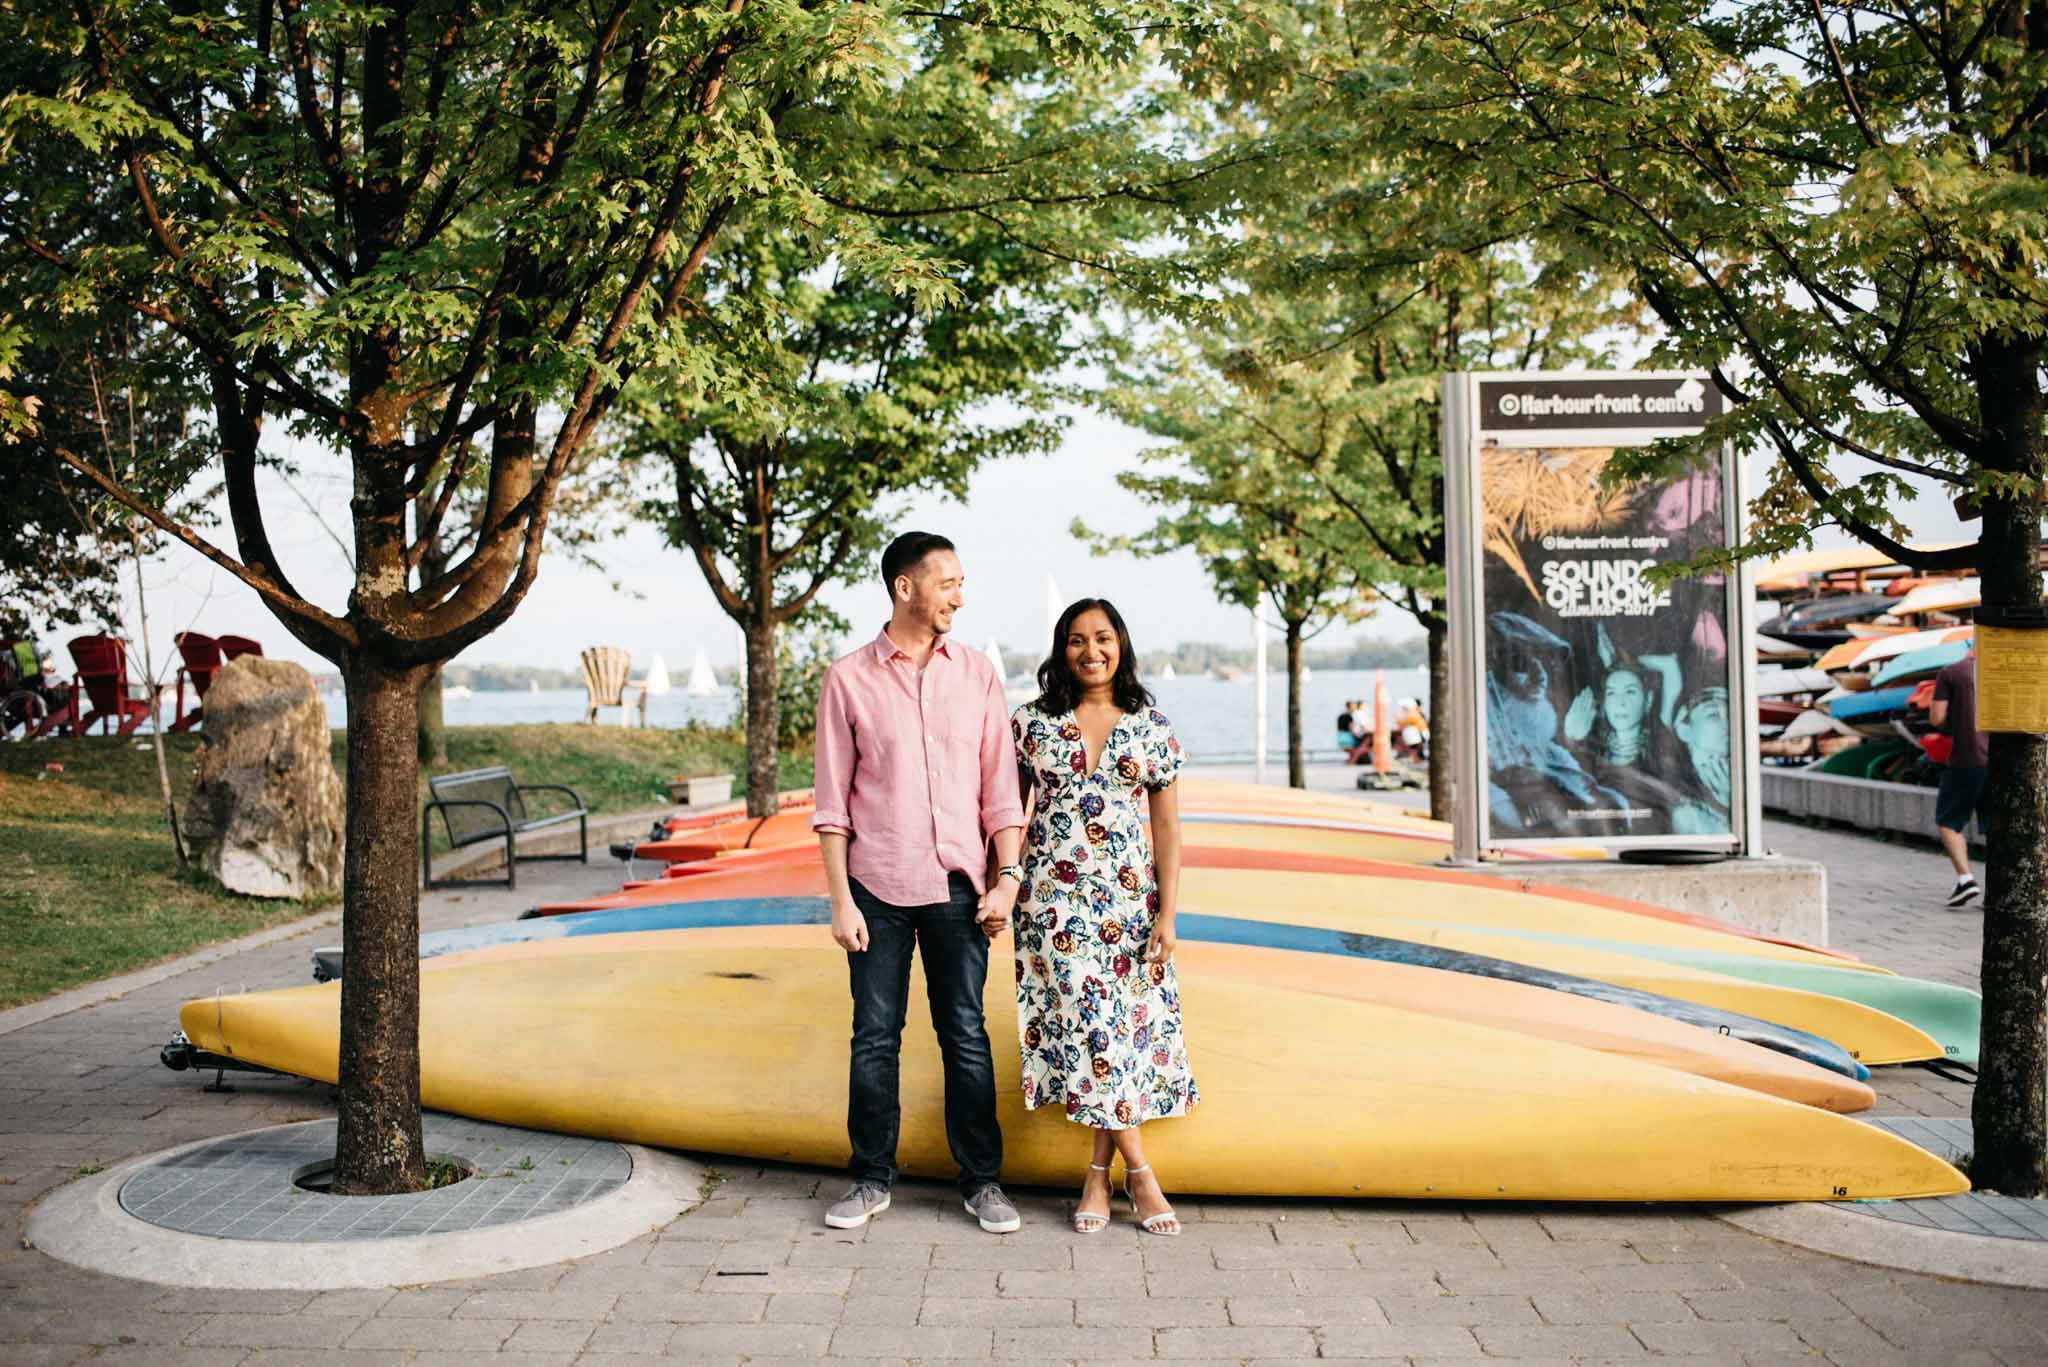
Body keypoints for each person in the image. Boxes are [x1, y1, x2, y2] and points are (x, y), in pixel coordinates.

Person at [810, 531, 1026, 1234]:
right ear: (906, 587)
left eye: (962, 582)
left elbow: (1001, 790)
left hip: (961, 886)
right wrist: (840, 900)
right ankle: (871, 1178)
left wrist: (1007, 881)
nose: (959, 595)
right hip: (876, 886)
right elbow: (832, 805)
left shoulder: (978, 674)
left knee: (965, 1032)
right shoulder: (848, 679)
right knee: (874, 1035)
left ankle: (983, 1182)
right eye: (947, 582)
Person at [1006, 598, 1197, 1236]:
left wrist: (1168, 913)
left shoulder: (1150, 725)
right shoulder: (1031, 724)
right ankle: (1140, 1175)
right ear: (1061, 649)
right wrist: (997, 889)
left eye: (1104, 638)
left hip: (1128, 904)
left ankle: (1096, 1172)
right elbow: (1006, 816)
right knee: (1090, 1027)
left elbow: (1167, 829)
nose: (1092, 652)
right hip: (1053, 905)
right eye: (1077, 640)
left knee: (1119, 1034)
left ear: (1122, 645)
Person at [1930, 648, 1988, 908]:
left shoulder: (1951, 672)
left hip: (1967, 758)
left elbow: (1936, 717)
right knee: (1997, 826)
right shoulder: (2001, 669)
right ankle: (2002, 889)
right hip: (2003, 762)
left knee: (1949, 821)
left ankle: (1966, 879)